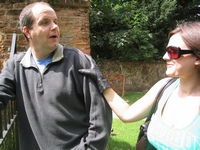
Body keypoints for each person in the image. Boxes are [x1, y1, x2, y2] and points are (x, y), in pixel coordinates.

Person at [0, 2, 112, 150]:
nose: (54, 27)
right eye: (45, 22)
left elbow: (100, 118)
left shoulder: (79, 61)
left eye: (55, 22)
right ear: (27, 32)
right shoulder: (15, 66)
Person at [79, 21, 200, 149]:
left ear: (197, 58)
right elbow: (127, 114)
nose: (165, 57)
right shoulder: (164, 87)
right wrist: (101, 82)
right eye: (166, 51)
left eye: (173, 51)